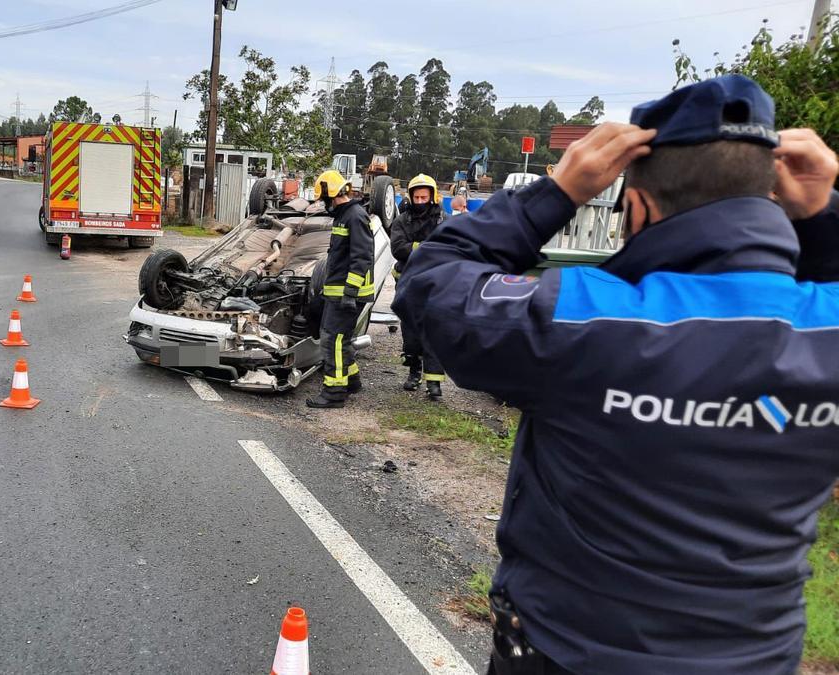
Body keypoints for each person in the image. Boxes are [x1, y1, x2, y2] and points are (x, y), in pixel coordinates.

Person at [393, 74, 839, 675]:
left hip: (571, 653)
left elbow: (430, 282)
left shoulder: (587, 317)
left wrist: (557, 190)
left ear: (638, 206)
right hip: (757, 659)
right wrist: (823, 222)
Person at [306, 169, 375, 409]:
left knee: (332, 341)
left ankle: (334, 393)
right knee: (342, 340)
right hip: (337, 292)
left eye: (324, 199)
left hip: (348, 294)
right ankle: (352, 381)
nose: (324, 204)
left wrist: (350, 293)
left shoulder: (354, 216)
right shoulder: (345, 215)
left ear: (331, 195)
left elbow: (362, 257)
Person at [390, 174, 447, 398]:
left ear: (432, 196)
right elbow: (398, 248)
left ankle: (434, 383)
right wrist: (426, 247)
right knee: (411, 333)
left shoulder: (444, 220)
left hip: (436, 284)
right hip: (408, 283)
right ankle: (414, 372)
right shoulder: (402, 221)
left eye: (425, 196)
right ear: (411, 197)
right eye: (417, 196)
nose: (421, 200)